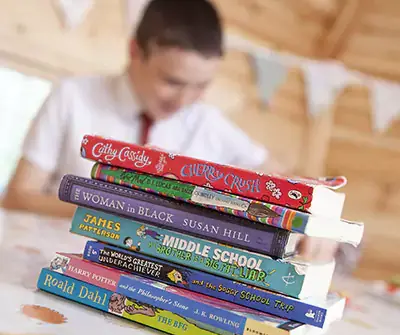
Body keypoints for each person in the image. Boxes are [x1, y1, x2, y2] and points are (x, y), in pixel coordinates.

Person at [1, 0, 338, 262]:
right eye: (172, 81)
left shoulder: (206, 121)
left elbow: (286, 180)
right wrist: (111, 211)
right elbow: (17, 197)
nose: (185, 99)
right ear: (134, 52)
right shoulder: (73, 96)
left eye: (200, 86)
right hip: (58, 261)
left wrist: (315, 217)